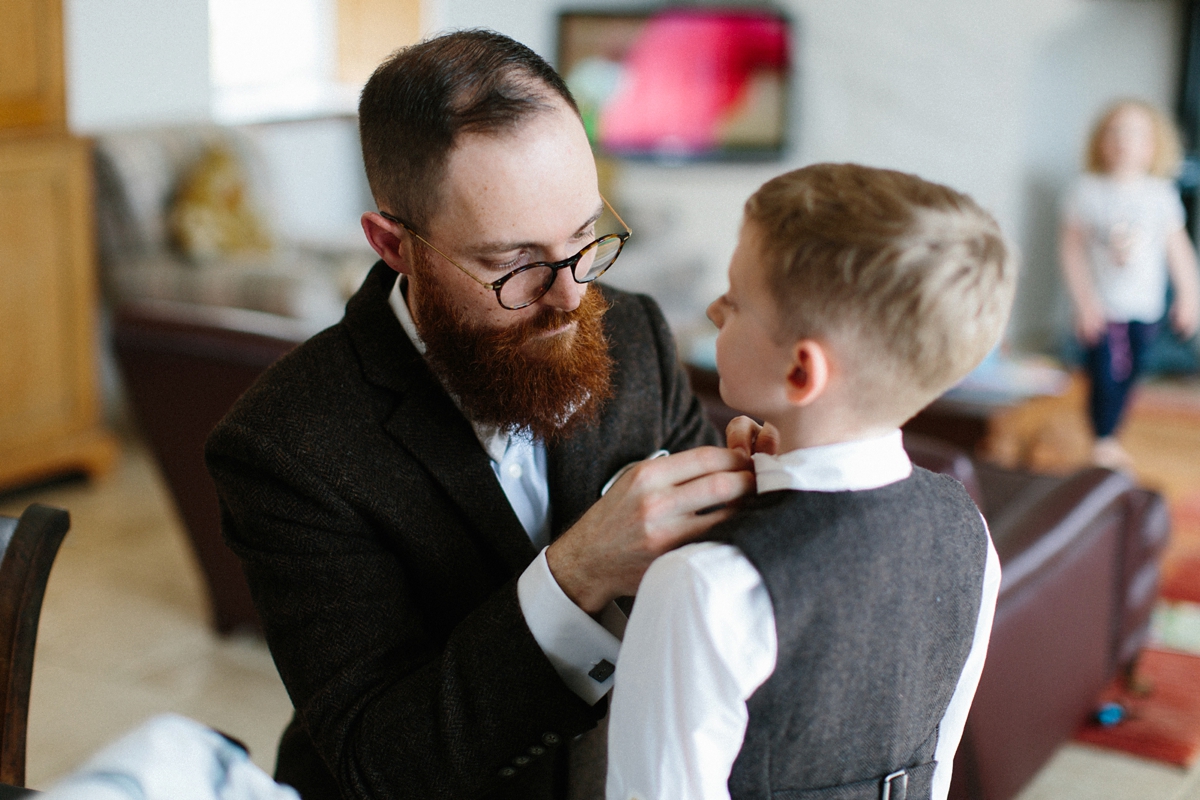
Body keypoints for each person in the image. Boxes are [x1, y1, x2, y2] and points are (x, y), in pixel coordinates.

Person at [204, 30, 756, 800]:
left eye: (583, 237)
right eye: (515, 265)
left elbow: (707, 568)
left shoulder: (633, 328)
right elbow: (379, 756)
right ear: (393, 244)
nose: (571, 298)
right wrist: (578, 570)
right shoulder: (284, 446)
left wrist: (754, 487)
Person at [605, 163, 1016, 800]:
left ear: (801, 372)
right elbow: (935, 758)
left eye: (736, 299)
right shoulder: (967, 530)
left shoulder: (705, 584)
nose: (714, 308)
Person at [1060, 99, 1200, 470]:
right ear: (1100, 142)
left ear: (1153, 146)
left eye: (1136, 133)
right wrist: (1083, 302)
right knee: (1105, 372)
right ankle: (1103, 440)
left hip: (1145, 307)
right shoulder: (1086, 191)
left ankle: (1110, 434)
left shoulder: (1160, 195)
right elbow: (1071, 251)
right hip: (1102, 308)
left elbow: (1179, 250)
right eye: (1115, 131)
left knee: (1131, 373)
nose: (1124, 140)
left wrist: (1190, 295)